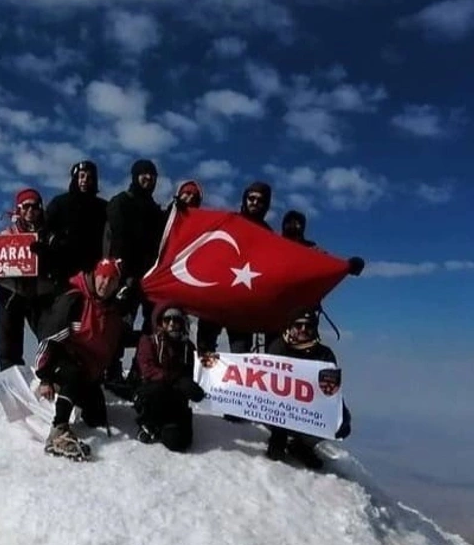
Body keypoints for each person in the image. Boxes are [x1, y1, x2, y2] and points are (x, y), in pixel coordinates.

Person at [33, 258, 127, 461]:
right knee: (73, 374)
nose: (105, 284)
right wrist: (45, 378)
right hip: (61, 365)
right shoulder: (75, 300)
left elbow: (116, 341)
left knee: (97, 418)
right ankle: (58, 430)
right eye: (103, 277)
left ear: (118, 284)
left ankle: (69, 395)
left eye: (112, 280)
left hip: (88, 372)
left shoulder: (112, 311)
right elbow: (48, 340)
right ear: (95, 274)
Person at [0, 188, 63, 371]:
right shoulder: (7, 235)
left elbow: (61, 263)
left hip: (41, 295)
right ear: (19, 209)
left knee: (52, 340)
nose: (31, 211)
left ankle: (53, 382)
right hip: (11, 294)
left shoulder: (50, 236)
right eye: (26, 207)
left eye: (35, 207)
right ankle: (13, 387)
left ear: (41, 209)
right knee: (8, 349)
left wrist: (47, 256)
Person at [102, 159, 166, 392]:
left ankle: (140, 370)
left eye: (152, 175)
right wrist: (122, 274)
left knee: (151, 326)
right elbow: (117, 239)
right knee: (119, 324)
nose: (148, 178)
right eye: (143, 174)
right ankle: (112, 369)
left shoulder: (156, 211)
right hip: (125, 276)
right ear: (135, 176)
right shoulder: (120, 202)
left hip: (150, 278)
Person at [260, 308, 352, 470]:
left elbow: (330, 389)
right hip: (280, 407)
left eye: (308, 326)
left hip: (308, 407)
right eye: (299, 325)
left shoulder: (324, 354)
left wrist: (341, 415)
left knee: (342, 423)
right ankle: (278, 436)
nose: (303, 330)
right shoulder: (278, 347)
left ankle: (302, 445)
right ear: (291, 326)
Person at [196, 181, 274, 356]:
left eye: (260, 200)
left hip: (243, 302)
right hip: (216, 294)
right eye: (251, 198)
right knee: (204, 349)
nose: (254, 202)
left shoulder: (269, 234)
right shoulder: (230, 221)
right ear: (245, 199)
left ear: (266, 205)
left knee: (241, 354)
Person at [133, 305, 206, 452]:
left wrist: (195, 386)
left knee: (179, 442)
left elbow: (194, 372)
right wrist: (176, 380)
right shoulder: (149, 341)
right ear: (161, 322)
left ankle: (163, 429)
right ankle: (148, 423)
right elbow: (147, 370)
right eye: (167, 319)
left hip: (175, 399)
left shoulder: (188, 347)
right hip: (153, 394)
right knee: (158, 389)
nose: (172, 324)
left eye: (176, 320)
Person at [43, 160, 107, 277]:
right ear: (75, 178)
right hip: (63, 267)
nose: (85, 180)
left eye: (89, 177)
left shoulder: (103, 207)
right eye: (81, 176)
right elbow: (45, 228)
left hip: (92, 270)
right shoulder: (59, 203)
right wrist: (55, 240)